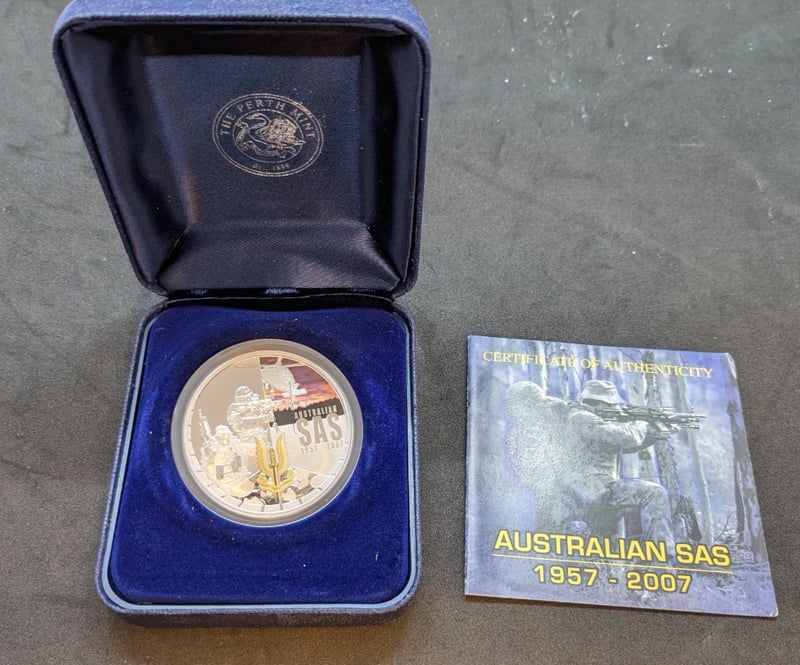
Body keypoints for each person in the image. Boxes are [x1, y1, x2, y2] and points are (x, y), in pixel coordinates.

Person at [565, 380, 676, 555]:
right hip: (590, 491)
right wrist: (640, 423)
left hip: (600, 490)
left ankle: (610, 571)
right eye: (610, 404)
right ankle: (662, 556)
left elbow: (624, 446)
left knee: (611, 554)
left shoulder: (593, 421)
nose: (616, 408)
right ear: (595, 402)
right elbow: (629, 438)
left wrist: (655, 434)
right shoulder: (581, 418)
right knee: (654, 492)